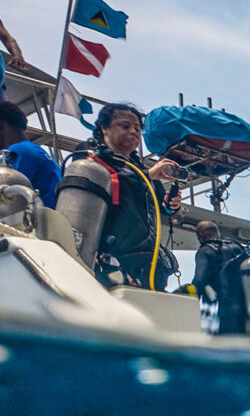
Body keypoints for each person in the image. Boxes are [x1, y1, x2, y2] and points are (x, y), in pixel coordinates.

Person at [75, 102, 184, 288]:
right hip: (106, 262)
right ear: (104, 128)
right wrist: (147, 177)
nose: (134, 132)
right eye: (125, 126)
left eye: (138, 128)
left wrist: (169, 203)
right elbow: (105, 188)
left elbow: (158, 206)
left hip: (145, 263)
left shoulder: (139, 168)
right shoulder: (90, 157)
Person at [190, 220, 250, 335]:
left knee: (227, 340)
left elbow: (200, 279)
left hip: (226, 308)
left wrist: (190, 296)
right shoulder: (238, 247)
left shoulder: (205, 251)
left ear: (200, 236)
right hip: (247, 306)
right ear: (218, 233)